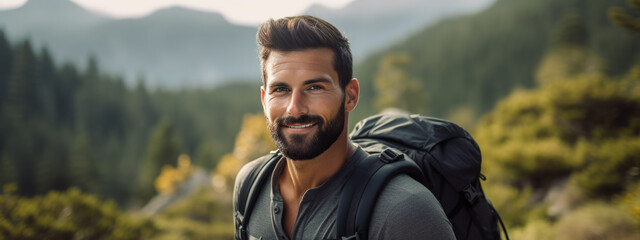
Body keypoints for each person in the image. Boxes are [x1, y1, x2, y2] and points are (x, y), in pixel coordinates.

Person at [233, 15, 455, 240]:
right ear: (264, 99)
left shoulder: (404, 212)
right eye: (280, 90)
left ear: (350, 96)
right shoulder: (251, 186)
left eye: (315, 87)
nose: (295, 109)